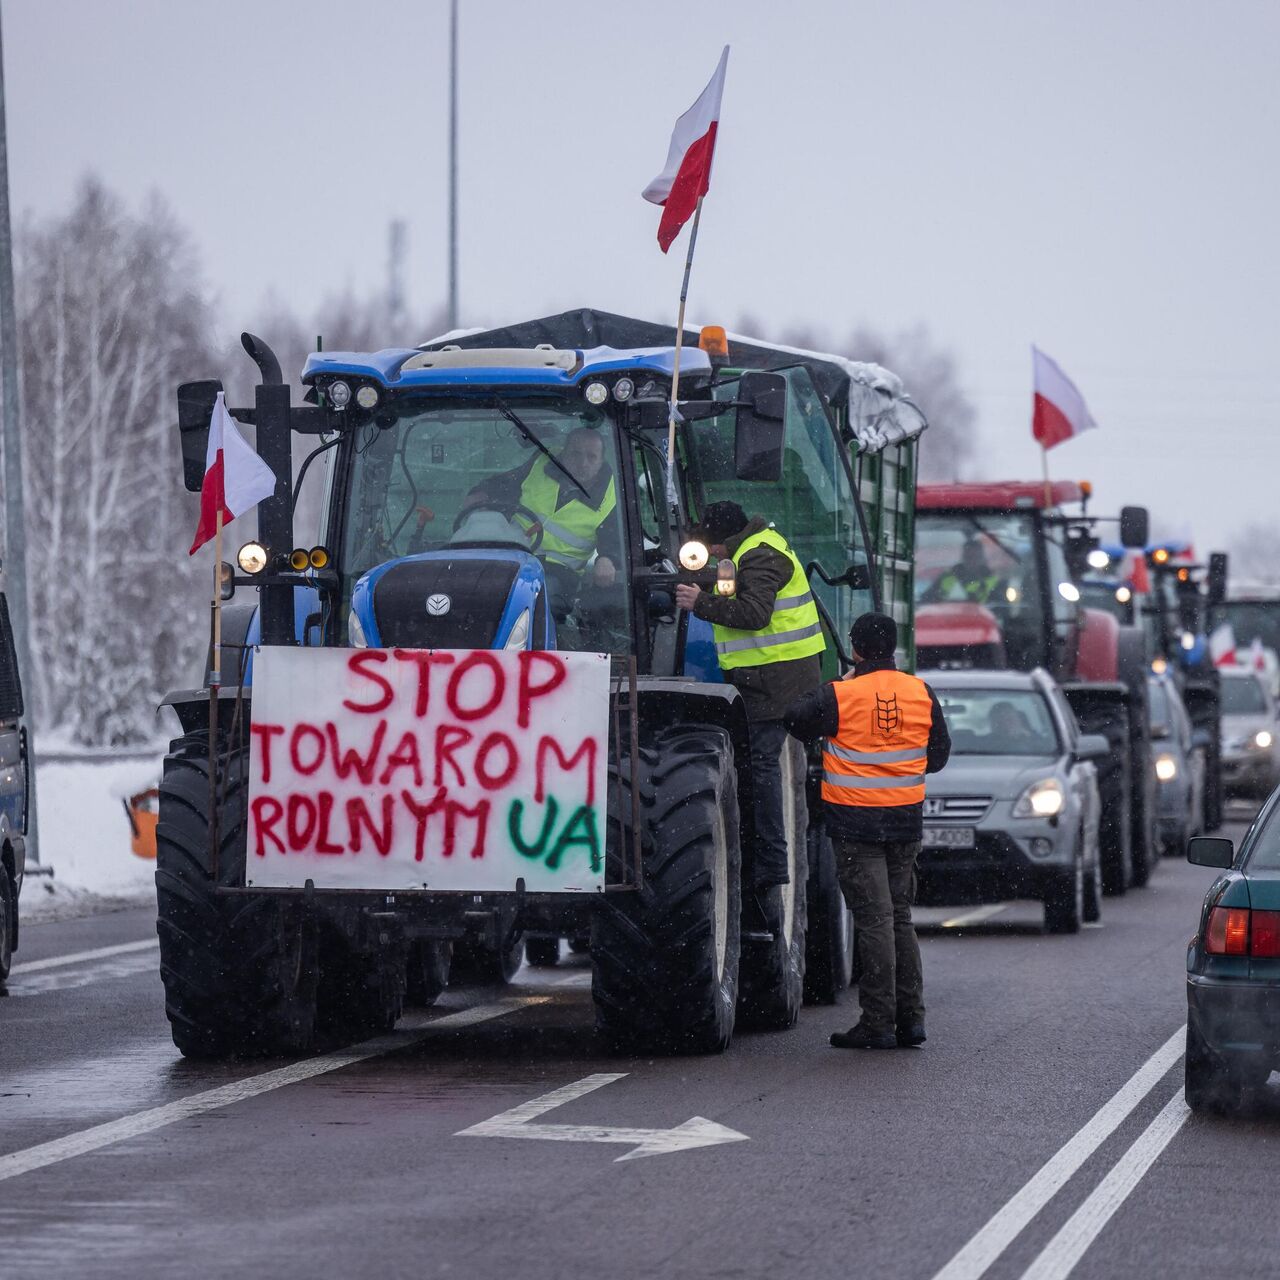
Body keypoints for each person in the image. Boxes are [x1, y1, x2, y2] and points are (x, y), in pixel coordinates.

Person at [784, 612, 951, 1050]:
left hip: (856, 824)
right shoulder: (920, 692)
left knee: (874, 920)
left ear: (855, 649)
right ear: (892, 648)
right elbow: (937, 757)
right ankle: (911, 1019)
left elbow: (794, 718)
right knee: (899, 916)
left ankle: (878, 1023)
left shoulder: (841, 694)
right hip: (904, 823)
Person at [674, 501, 825, 892]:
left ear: (725, 538)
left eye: (715, 547)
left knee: (761, 763)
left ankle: (771, 865)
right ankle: (763, 857)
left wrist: (699, 602)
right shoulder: (749, 550)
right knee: (754, 763)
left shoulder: (759, 555)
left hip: (778, 680)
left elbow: (756, 614)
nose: (716, 555)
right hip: (767, 676)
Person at [461, 426, 620, 588]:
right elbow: (504, 484)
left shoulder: (612, 498)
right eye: (576, 454)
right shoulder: (540, 464)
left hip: (560, 576)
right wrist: (482, 493)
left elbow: (615, 542)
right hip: (512, 558)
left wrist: (608, 559)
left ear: (601, 462)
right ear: (563, 454)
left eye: (591, 457)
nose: (583, 463)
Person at [924, 537, 1006, 605]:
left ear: (982, 559)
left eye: (976, 557)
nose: (972, 561)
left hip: (982, 623)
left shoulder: (994, 583)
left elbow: (1000, 610)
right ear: (963, 557)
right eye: (969, 557)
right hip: (946, 622)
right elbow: (925, 601)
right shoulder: (946, 578)